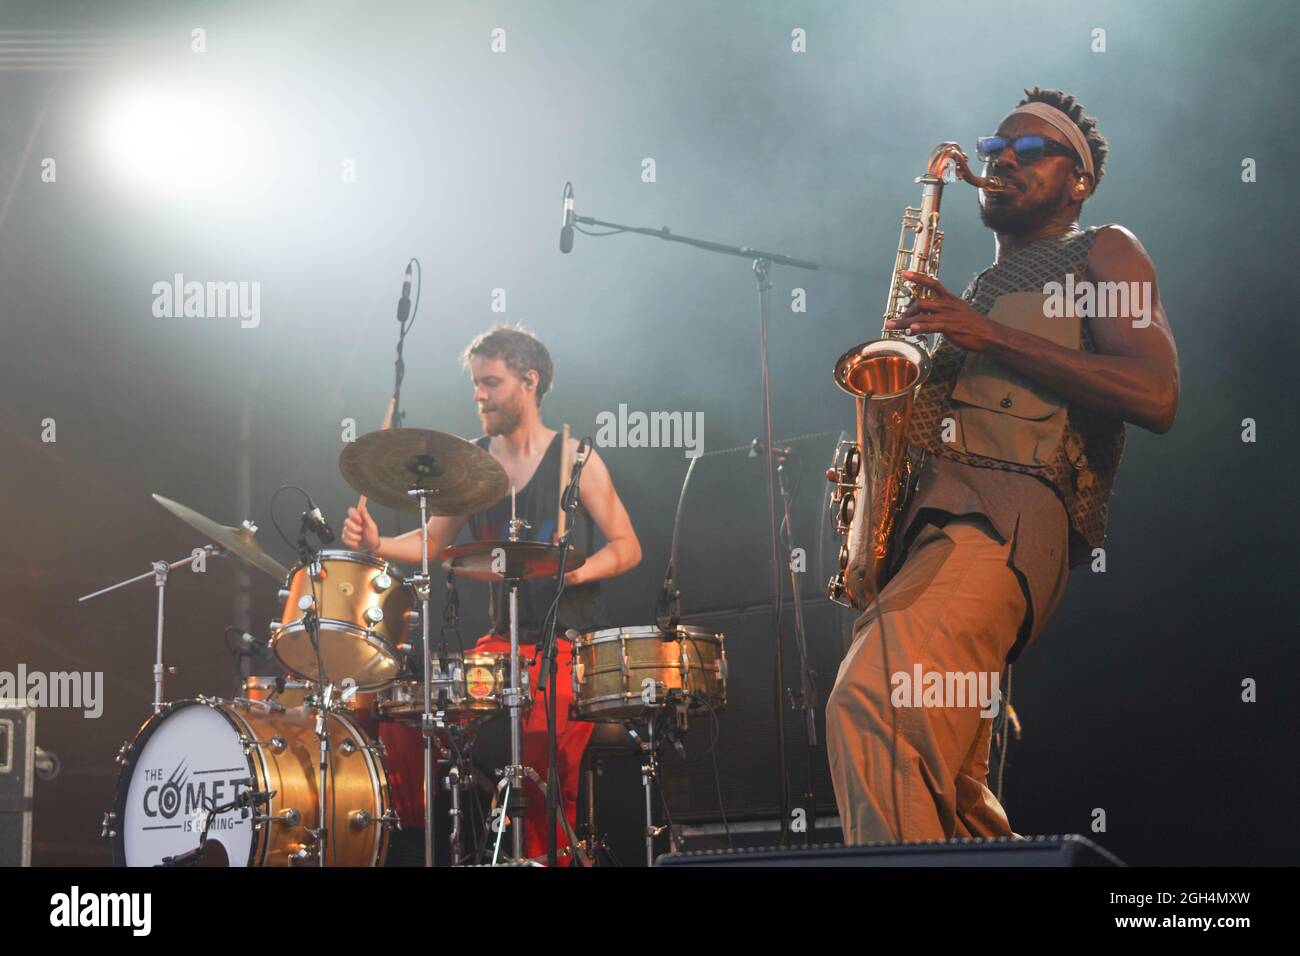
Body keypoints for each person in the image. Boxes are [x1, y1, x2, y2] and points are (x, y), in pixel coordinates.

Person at [825, 88, 1180, 844]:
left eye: (1029, 152)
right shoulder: (973, 295)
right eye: (993, 150)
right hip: (929, 538)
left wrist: (985, 333)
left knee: (874, 703)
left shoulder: (1105, 249)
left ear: (1078, 181)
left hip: (1003, 522)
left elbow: (1157, 393)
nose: (1002, 163)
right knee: (957, 805)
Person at [342, 324, 641, 862]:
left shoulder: (576, 459)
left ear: (529, 382)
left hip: (565, 648)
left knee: (536, 730)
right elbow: (436, 541)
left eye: (491, 382)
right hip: (499, 647)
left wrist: (574, 573)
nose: (478, 395)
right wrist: (378, 541)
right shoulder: (474, 465)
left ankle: (547, 854)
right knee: (417, 710)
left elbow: (627, 546)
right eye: (475, 384)